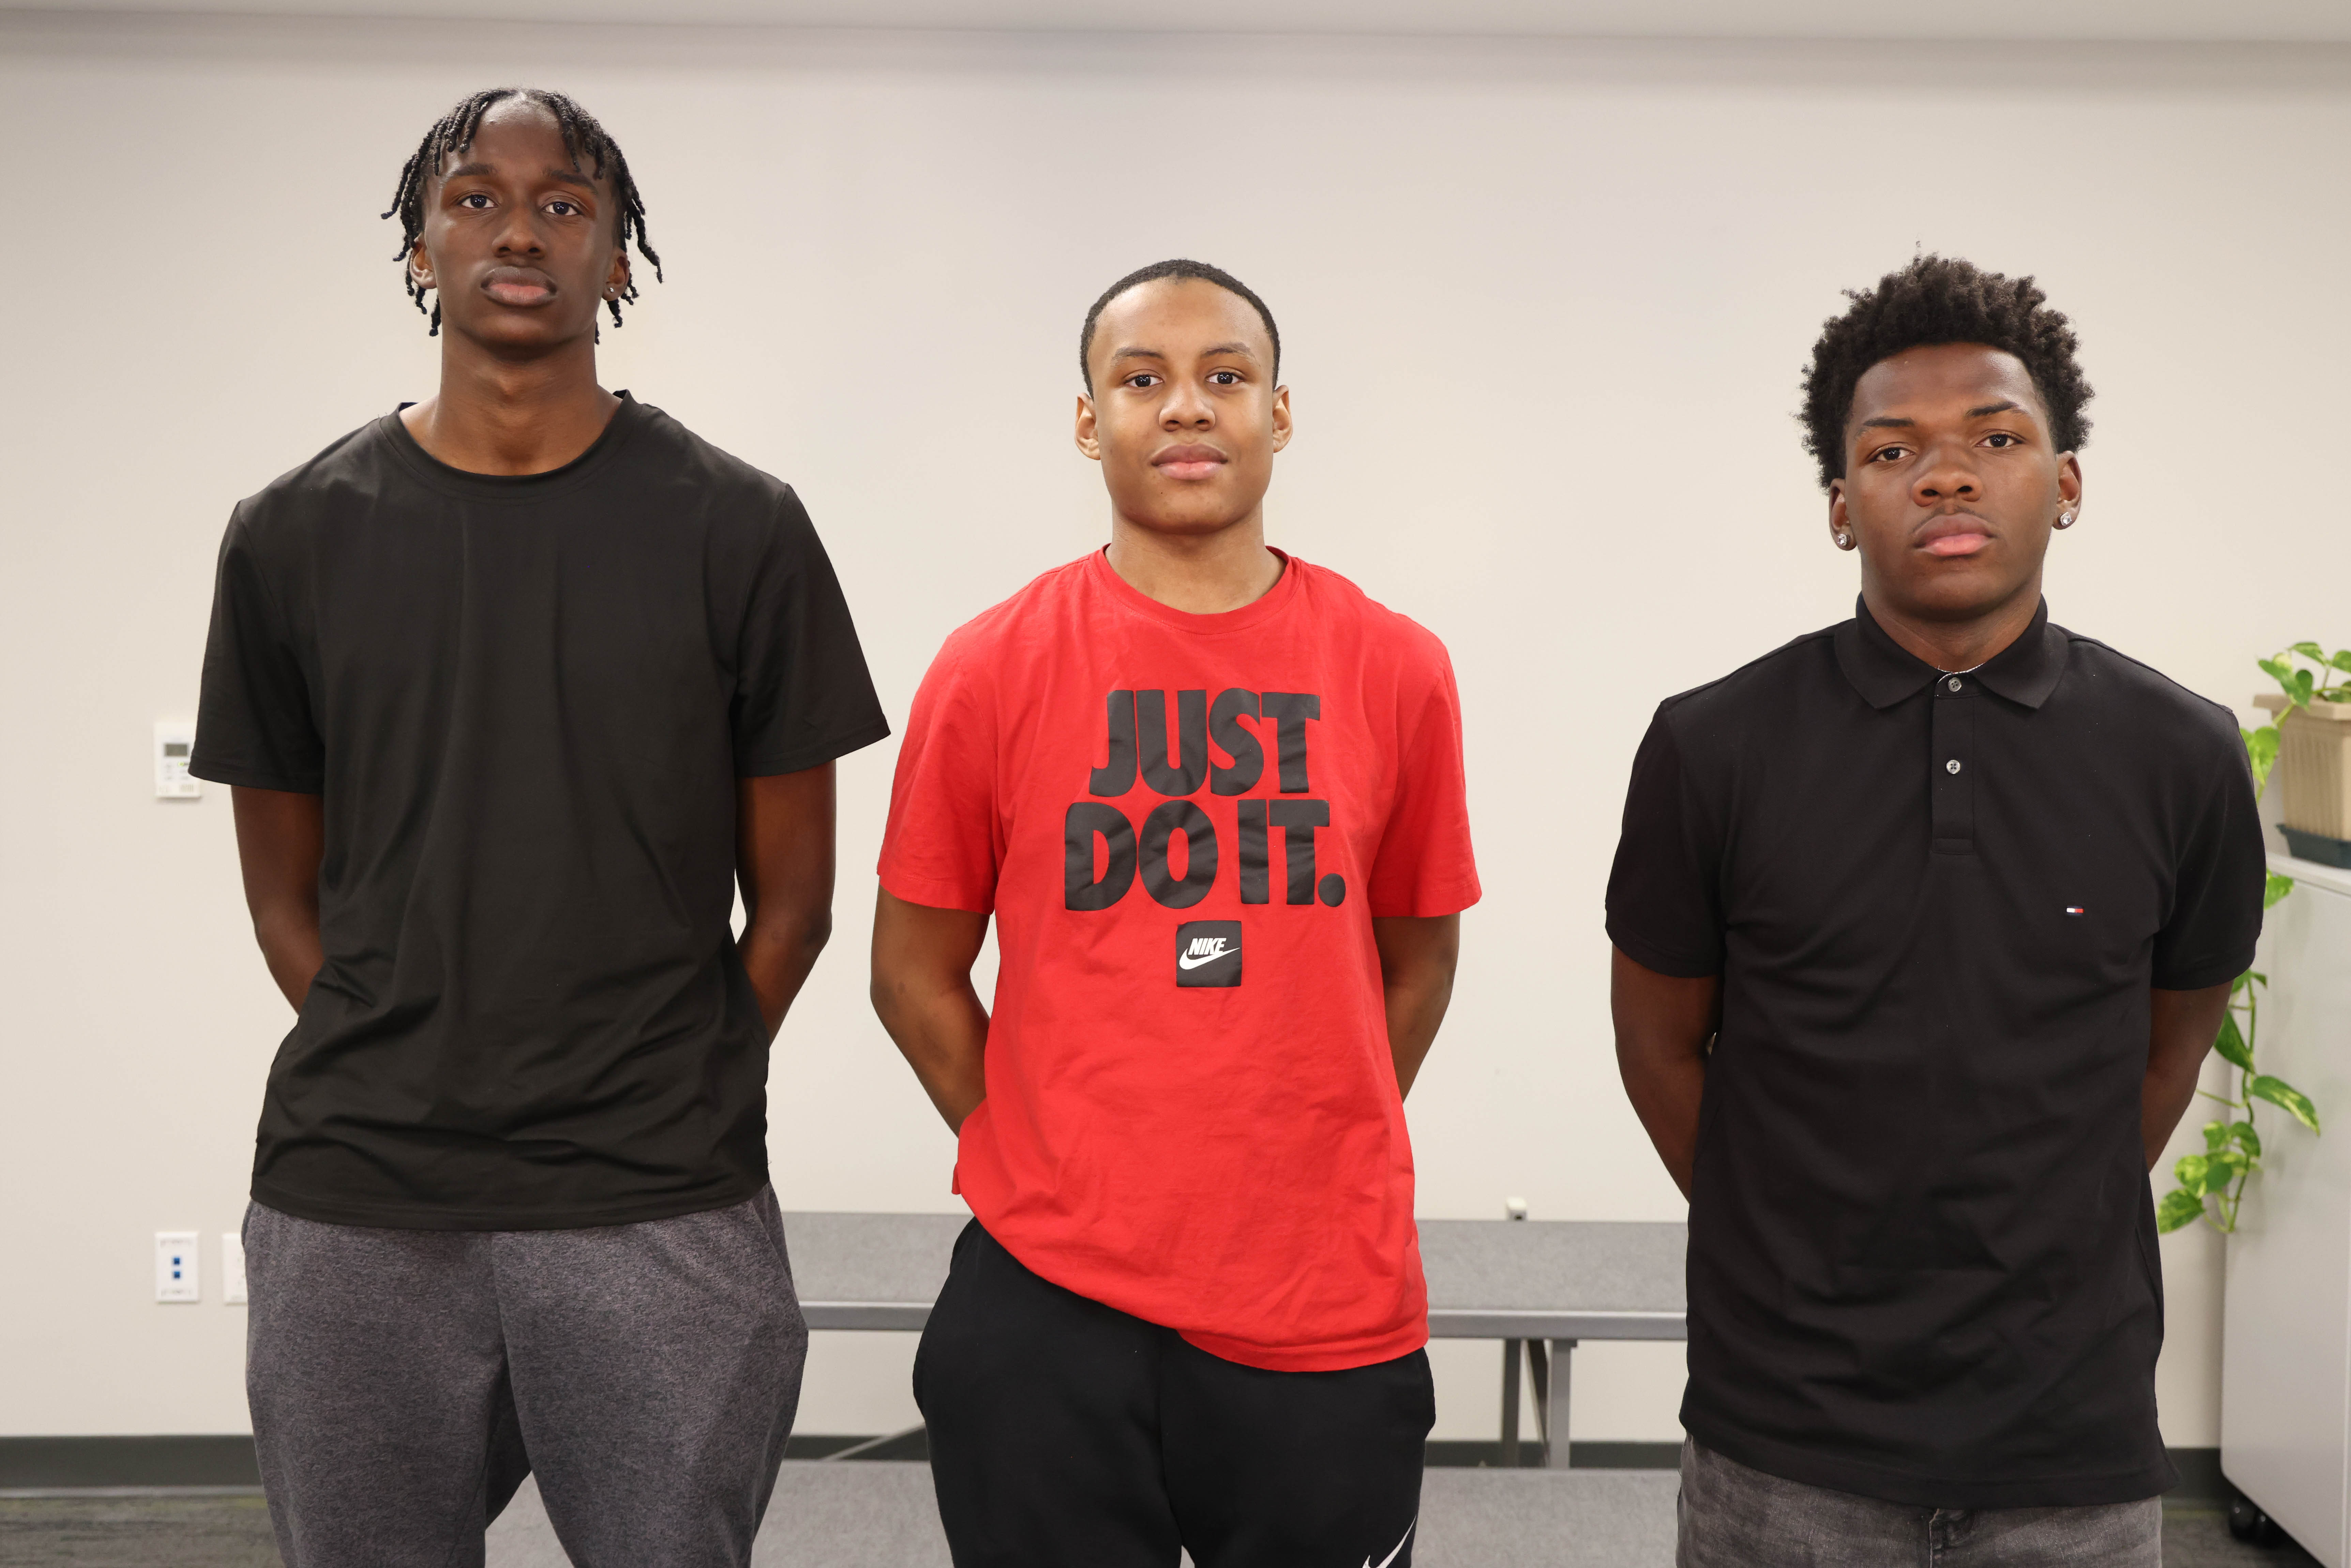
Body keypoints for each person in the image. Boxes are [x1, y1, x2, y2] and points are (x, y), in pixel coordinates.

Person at [190, 87, 889, 1567]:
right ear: (420, 251)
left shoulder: (740, 525)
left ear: (621, 262)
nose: (520, 227)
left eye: (567, 203)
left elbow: (802, 900)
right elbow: (281, 897)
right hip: (359, 1196)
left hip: (656, 1198)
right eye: (476, 198)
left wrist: (674, 1081)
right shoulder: (291, 532)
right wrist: (410, 1053)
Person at [1607, 255, 2267, 1567]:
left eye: (1996, 439)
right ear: (1842, 504)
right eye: (1895, 448)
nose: (1947, 476)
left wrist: (2038, 1217)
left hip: (2069, 1445)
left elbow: (2166, 1046)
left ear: (2065, 484)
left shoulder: (2181, 753)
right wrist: (1791, 1235)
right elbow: (1661, 1048)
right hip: (1780, 1445)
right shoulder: (1713, 745)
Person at [869, 259, 1478, 1568]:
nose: (1186, 408)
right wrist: (1036, 1148)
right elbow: (911, 974)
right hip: (1049, 1308)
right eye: (1142, 379)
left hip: (1323, 1304)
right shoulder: (990, 668)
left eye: (1225, 377)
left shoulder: (1396, 667)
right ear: (1089, 420)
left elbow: (1419, 957)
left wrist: (1309, 1127)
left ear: (1280, 412)